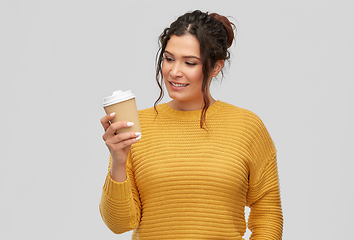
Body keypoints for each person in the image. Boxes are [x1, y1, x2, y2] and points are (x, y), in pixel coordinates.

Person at [99, 10, 283, 240]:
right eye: (168, 58)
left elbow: (267, 212)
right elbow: (119, 224)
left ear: (215, 67)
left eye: (189, 62)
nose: (174, 72)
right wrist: (118, 161)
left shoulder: (247, 126)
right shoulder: (137, 126)